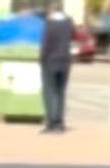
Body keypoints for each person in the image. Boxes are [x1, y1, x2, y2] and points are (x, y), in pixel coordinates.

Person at [39, 1, 74, 133]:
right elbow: (73, 37)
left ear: (52, 9)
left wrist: (41, 59)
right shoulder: (69, 23)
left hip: (50, 61)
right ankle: (59, 122)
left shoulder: (49, 23)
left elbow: (45, 43)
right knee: (60, 92)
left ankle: (50, 122)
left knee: (49, 92)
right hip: (65, 61)